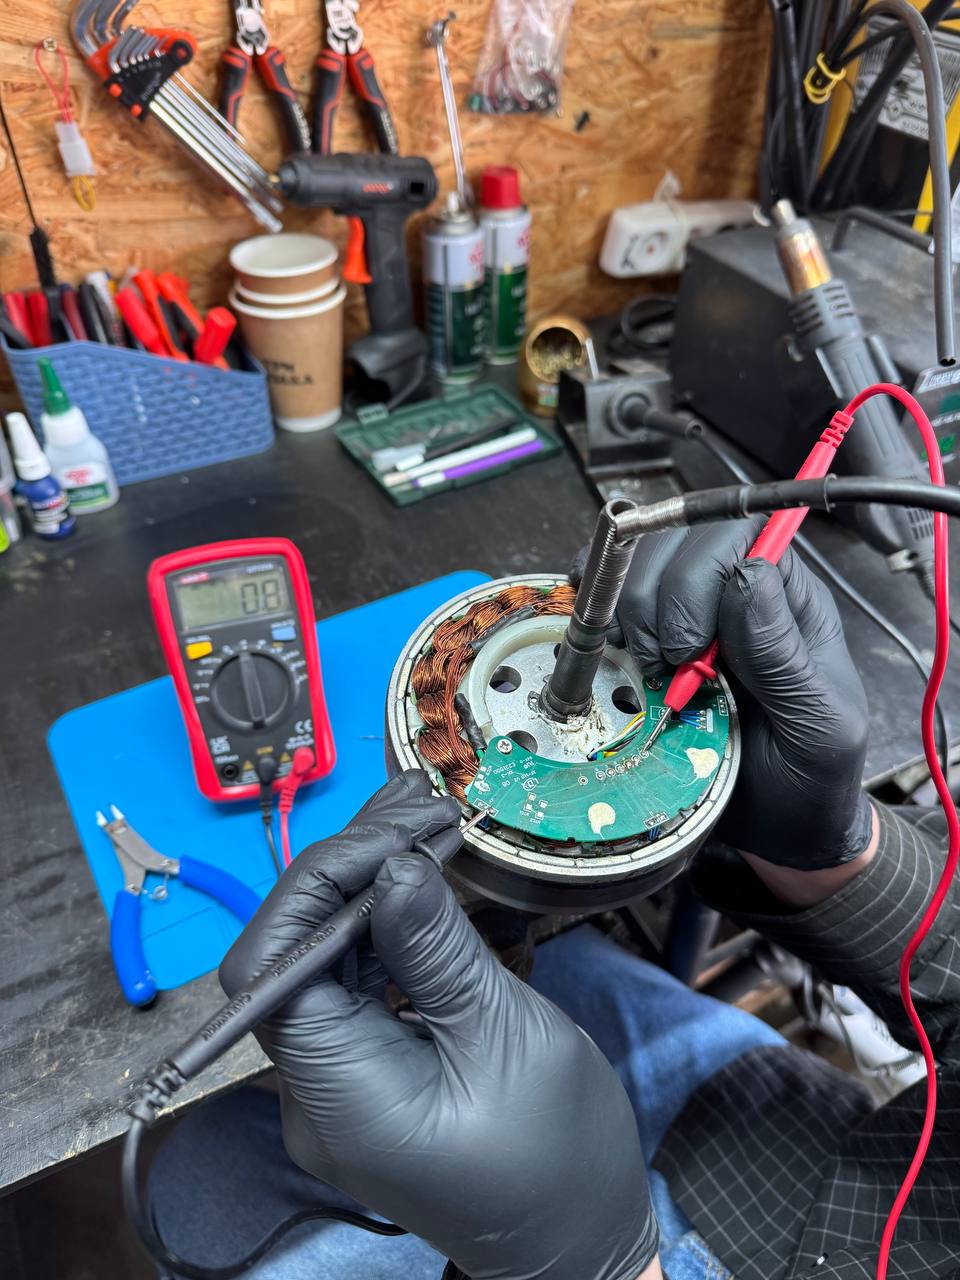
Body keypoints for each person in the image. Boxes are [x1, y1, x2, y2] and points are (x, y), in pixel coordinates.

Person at [150, 521, 960, 1280]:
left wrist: (598, 1265)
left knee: (201, 1176)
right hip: (796, 1144)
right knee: (552, 970)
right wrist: (835, 856)